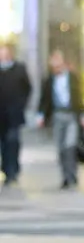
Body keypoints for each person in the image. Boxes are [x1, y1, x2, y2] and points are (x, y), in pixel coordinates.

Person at [37, 50, 84, 189]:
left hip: (71, 115)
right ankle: (65, 176)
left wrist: (83, 114)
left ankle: (72, 174)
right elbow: (44, 99)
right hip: (57, 115)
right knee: (60, 147)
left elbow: (80, 96)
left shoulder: (72, 78)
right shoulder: (49, 80)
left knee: (70, 145)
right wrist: (41, 116)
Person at [0, 44, 33, 186]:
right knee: (3, 144)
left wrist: (22, 104)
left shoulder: (19, 69)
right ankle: (7, 170)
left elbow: (28, 88)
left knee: (13, 141)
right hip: (1, 115)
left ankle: (13, 169)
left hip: (14, 114)